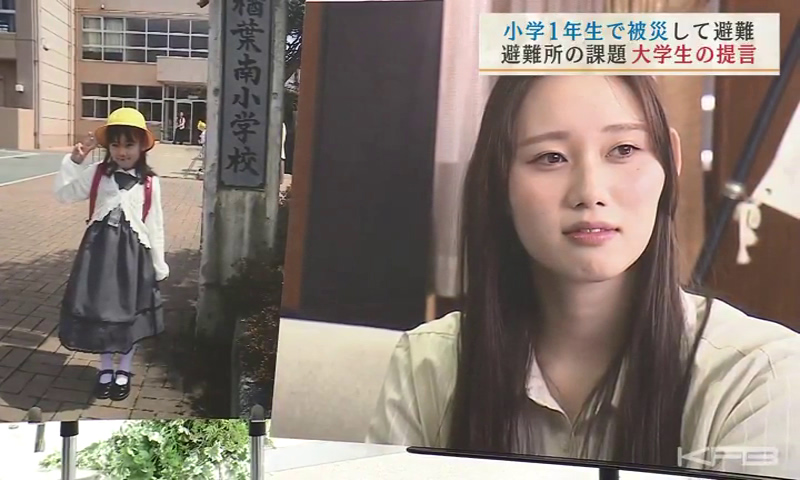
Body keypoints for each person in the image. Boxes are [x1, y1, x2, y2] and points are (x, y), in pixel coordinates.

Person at [365, 76, 800, 478]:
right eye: (550, 157)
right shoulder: (430, 366)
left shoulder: (759, 375)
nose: (590, 192)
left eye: (623, 150)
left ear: (671, 161)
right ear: (499, 182)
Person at [54, 107, 169, 402]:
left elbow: (154, 225)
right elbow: (64, 194)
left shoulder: (150, 183)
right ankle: (105, 369)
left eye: (129, 144)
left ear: (142, 146)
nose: (122, 152)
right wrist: (75, 161)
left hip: (133, 259)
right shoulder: (97, 174)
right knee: (101, 311)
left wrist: (158, 265)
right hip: (97, 257)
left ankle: (124, 369)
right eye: (116, 144)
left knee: (128, 313)